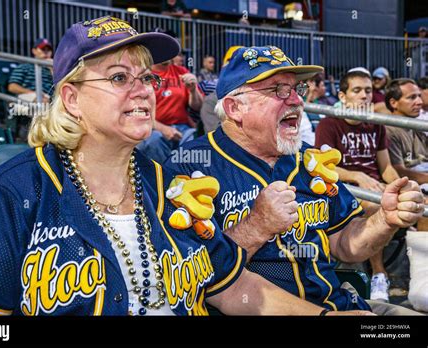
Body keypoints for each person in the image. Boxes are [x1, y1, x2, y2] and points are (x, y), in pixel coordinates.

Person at [0, 17, 359, 317]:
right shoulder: (12, 195)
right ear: (72, 99)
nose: (143, 90)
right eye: (118, 77)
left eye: (146, 77)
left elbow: (231, 286)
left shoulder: (169, 186)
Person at [165, 45, 425, 315]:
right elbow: (198, 276)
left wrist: (386, 219)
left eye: (296, 89)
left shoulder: (310, 162)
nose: (297, 101)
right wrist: (255, 226)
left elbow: (346, 246)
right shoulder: (189, 167)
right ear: (235, 107)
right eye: (278, 90)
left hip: (340, 305)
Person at [315, 69, 400, 302]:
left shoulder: (376, 124)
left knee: (421, 204)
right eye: (357, 90)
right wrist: (356, 175)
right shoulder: (329, 124)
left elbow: (386, 168)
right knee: (375, 207)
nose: (365, 96)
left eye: (369, 90)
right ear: (342, 96)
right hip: (345, 189)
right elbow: (323, 167)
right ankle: (379, 274)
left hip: (376, 186)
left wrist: (402, 186)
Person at [137, 51, 203, 164]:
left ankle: (190, 179)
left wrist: (193, 90)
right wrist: (163, 129)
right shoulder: (143, 76)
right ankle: (161, 178)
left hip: (182, 129)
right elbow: (138, 112)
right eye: (161, 48)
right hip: (152, 128)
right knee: (154, 141)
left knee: (196, 140)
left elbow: (198, 107)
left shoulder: (181, 72)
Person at [385, 78, 428, 231]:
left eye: (418, 96)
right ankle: (421, 253)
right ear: (394, 103)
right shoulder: (390, 130)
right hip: (409, 186)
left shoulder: (416, 127)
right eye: (411, 97)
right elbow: (399, 170)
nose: (419, 102)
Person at [8, 38, 54, 142]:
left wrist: (53, 69)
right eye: (43, 49)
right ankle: (39, 138)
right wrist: (35, 94)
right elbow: (12, 87)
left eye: (48, 50)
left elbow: (59, 88)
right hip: (27, 97)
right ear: (34, 51)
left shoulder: (53, 70)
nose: (46, 52)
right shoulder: (24, 67)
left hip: (47, 100)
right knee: (43, 104)